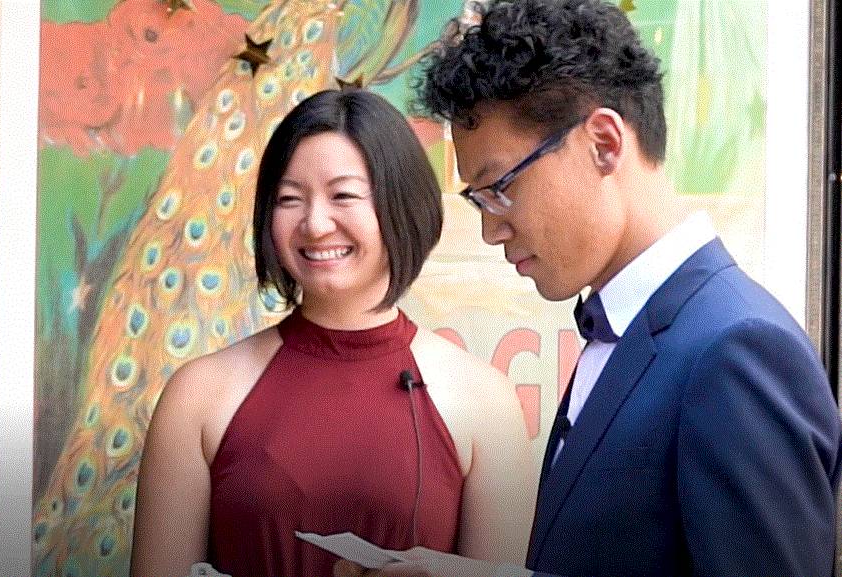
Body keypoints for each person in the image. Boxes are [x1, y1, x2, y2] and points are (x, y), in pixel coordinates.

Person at [334, 1, 842, 576]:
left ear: (603, 143)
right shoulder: (631, 327)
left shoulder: (737, 350)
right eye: (477, 200)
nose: (490, 228)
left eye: (499, 188)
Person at [129, 89, 535, 577]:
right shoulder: (197, 395)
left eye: (344, 195)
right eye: (289, 199)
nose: (315, 224)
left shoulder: (485, 401)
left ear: (402, 205)